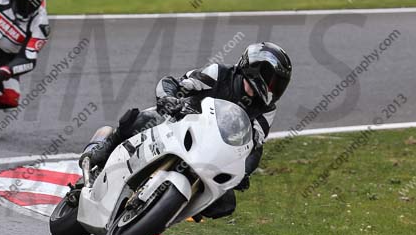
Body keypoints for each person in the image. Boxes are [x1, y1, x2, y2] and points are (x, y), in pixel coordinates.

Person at [80, 42, 292, 219]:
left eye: (278, 85)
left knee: (224, 204)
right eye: (271, 80)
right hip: (178, 122)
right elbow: (174, 83)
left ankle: (170, 210)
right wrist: (169, 99)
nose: (273, 88)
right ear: (255, 67)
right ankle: (105, 147)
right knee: (141, 119)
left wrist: (244, 172)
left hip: (210, 152)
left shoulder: (266, 111)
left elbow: (255, 146)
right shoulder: (220, 73)